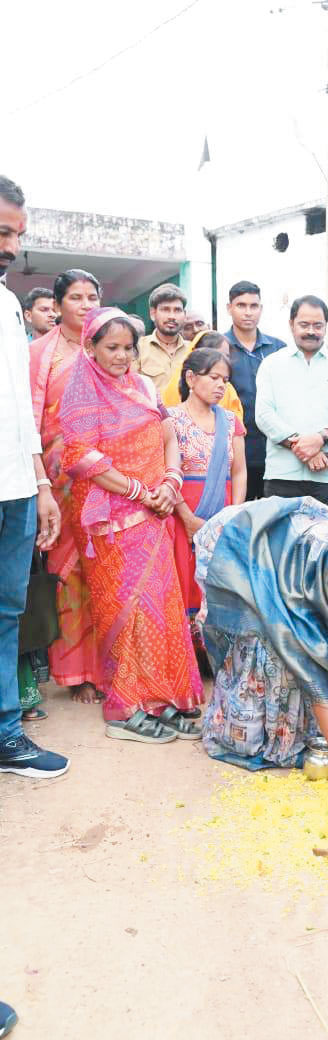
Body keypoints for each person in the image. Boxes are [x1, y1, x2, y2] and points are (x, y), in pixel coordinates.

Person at [60, 307, 204, 743]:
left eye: (128, 347)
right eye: (112, 348)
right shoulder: (81, 390)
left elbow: (168, 434)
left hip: (156, 509)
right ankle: (126, 707)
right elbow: (81, 457)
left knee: (161, 608)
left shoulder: (142, 385)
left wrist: (170, 481)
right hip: (114, 519)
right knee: (128, 610)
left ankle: (161, 699)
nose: (122, 356)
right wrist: (140, 493)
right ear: (91, 348)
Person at [196, 497, 328, 829]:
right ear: (325, 575)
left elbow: (319, 654)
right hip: (240, 550)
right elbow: (313, 680)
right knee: (269, 648)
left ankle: (287, 736)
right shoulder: (293, 587)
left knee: (301, 651)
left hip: (281, 554)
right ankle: (246, 736)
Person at [0, 172, 69, 779]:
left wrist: (42, 485)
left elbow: (20, 409)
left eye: (16, 235)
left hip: (17, 488)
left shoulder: (5, 306)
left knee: (6, 609)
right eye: (1, 231)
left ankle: (5, 733)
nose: (10, 247)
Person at [29, 268, 102, 704]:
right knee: (69, 577)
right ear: (57, 306)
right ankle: (77, 673)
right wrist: (40, 481)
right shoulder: (39, 354)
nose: (86, 304)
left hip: (103, 480)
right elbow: (28, 424)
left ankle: (109, 666)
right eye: (76, 297)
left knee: (103, 572)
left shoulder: (108, 348)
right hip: (56, 487)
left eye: (92, 296)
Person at [255, 294, 328, 514]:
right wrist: (303, 447)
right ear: (291, 324)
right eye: (304, 324)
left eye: (317, 325)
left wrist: (319, 439)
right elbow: (264, 415)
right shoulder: (271, 365)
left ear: (325, 327)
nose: (311, 331)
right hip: (282, 474)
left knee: (325, 542)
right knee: (281, 543)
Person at [169, 348, 246, 648]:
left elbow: (238, 472)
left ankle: (212, 655)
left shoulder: (231, 421)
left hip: (222, 513)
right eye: (214, 377)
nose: (220, 386)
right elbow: (165, 469)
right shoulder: (171, 418)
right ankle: (185, 659)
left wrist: (234, 514)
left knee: (216, 580)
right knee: (183, 578)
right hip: (180, 514)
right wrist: (186, 517)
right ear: (191, 377)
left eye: (224, 380)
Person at [223, 280, 286, 500]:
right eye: (241, 305)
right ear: (229, 307)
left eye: (254, 306)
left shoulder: (279, 349)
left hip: (277, 453)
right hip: (235, 453)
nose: (248, 312)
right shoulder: (219, 347)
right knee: (240, 519)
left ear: (261, 308)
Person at [160, 329, 244, 420]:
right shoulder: (173, 392)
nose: (221, 361)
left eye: (226, 356)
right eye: (213, 377)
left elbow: (237, 427)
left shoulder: (228, 390)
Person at [134, 283, 188, 391]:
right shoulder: (137, 348)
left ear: (184, 314)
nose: (172, 316)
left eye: (177, 310)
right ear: (153, 313)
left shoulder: (194, 350)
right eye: (165, 309)